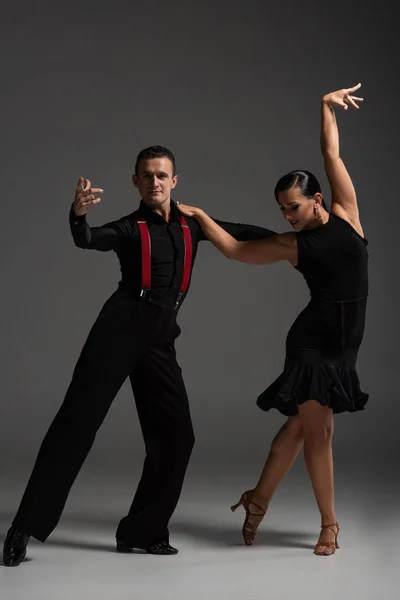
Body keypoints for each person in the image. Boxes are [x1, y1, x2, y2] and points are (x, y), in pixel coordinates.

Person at [2, 145, 277, 566]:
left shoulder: (193, 225)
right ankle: (24, 526)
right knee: (75, 426)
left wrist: (299, 241)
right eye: (146, 176)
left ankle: (142, 532)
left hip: (160, 337)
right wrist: (78, 214)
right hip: (119, 329)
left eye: (161, 175)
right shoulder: (129, 228)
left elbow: (242, 232)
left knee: (177, 436)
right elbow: (88, 239)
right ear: (136, 181)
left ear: (174, 180)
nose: (154, 182)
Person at [176, 83, 368, 556]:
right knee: (319, 432)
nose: (288, 216)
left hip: (346, 344)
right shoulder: (293, 244)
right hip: (312, 343)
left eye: (295, 207)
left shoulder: (347, 213)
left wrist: (325, 105)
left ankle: (257, 501)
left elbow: (330, 153)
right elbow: (237, 250)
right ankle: (330, 525)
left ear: (318, 199)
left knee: (300, 428)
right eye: (282, 209)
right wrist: (201, 215)